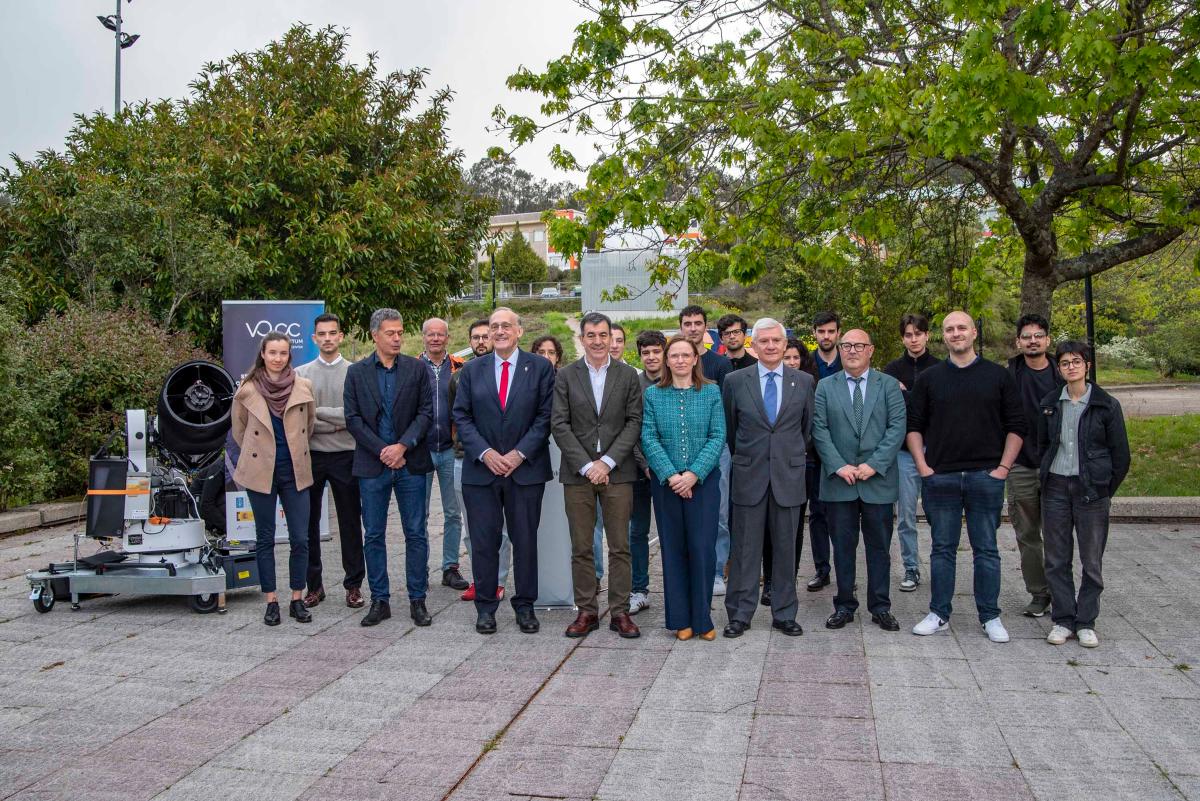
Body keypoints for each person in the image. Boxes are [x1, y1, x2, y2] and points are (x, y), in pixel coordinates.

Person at [906, 311, 1026, 643]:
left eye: (961, 328)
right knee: (942, 549)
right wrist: (923, 468)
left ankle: (990, 616)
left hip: (984, 476)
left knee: (986, 549)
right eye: (949, 329)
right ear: (941, 337)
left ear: (973, 332)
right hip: (940, 477)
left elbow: (1017, 426)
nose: (956, 333)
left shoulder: (998, 376)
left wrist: (1002, 469)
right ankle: (939, 613)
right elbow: (913, 427)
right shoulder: (929, 379)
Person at [453, 307, 556, 635]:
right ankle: (486, 607)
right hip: (481, 473)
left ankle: (525, 606)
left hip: (525, 472)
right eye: (494, 326)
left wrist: (518, 454)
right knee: (483, 542)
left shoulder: (539, 368)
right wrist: (485, 454)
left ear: (519, 331)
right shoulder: (471, 370)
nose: (499, 331)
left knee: (525, 540)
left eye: (505, 326)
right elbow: (462, 416)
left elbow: (545, 416)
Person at [553, 312, 644, 639]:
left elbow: (634, 421)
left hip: (618, 473)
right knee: (581, 546)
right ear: (582, 338)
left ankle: (620, 613)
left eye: (602, 334)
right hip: (577, 475)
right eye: (590, 335)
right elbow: (559, 424)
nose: (597, 340)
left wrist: (606, 462)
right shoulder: (565, 376)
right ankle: (587, 611)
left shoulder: (628, 376)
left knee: (620, 546)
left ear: (611, 337)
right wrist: (587, 465)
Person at [721, 318, 813, 638]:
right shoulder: (734, 381)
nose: (771, 346)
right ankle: (739, 614)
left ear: (785, 344)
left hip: (788, 477)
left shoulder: (803, 382)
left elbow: (807, 430)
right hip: (749, 475)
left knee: (786, 549)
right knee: (745, 549)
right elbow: (732, 431)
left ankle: (784, 613)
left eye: (777, 340)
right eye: (764, 341)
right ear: (753, 345)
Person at [812, 329, 907, 632]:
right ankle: (844, 605)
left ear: (871, 350)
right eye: (847, 346)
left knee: (879, 548)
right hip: (840, 482)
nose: (852, 350)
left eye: (859, 346)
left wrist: (873, 465)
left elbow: (896, 428)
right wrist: (839, 466)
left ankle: (880, 606)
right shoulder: (825, 387)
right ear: (840, 349)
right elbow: (820, 429)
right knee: (842, 547)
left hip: (877, 481)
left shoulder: (889, 385)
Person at [344, 309, 434, 628]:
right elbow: (352, 419)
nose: (397, 338)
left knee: (416, 532)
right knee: (374, 534)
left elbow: (426, 413)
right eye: (390, 333)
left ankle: (417, 600)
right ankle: (379, 600)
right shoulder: (356, 373)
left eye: (400, 332)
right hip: (373, 464)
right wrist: (382, 450)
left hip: (410, 462)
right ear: (374, 335)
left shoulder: (417, 369)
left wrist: (402, 446)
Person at [1039, 341, 1129, 648]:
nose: (1071, 367)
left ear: (1087, 365)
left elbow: (1121, 456)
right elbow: (1043, 445)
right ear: (1059, 368)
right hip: (1055, 488)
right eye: (1064, 363)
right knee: (1056, 557)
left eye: (1076, 361)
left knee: (1091, 559)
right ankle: (1063, 619)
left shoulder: (1106, 405)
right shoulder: (1051, 403)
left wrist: (1103, 489)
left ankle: (1086, 620)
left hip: (1092, 491)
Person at [641, 335, 726, 640]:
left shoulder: (712, 392)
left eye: (684, 355)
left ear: (694, 359)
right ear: (666, 360)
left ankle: (702, 619)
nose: (679, 360)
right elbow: (648, 438)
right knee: (674, 549)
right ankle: (681, 620)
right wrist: (672, 475)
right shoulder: (653, 395)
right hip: (667, 485)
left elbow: (718, 436)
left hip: (703, 484)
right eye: (673, 355)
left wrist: (693, 474)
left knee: (702, 549)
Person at [231, 332, 317, 626]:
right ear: (263, 354)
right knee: (265, 538)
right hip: (261, 471)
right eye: (273, 353)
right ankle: (271, 601)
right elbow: (238, 431)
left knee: (301, 539)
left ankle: (297, 598)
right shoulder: (247, 388)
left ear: (289, 356)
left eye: (283, 353)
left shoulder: (303, 386)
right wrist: (261, 453)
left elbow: (310, 425)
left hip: (295, 471)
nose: (278, 358)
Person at [296, 313, 366, 610]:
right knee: (308, 524)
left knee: (350, 523)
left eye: (332, 333)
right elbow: (303, 419)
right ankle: (314, 586)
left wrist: (321, 414)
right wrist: (335, 419)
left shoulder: (355, 373)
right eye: (321, 333)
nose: (327, 338)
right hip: (311, 456)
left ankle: (353, 586)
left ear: (341, 336)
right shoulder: (301, 374)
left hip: (346, 455)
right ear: (314, 338)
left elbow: (353, 417)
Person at [1006, 313, 1064, 617]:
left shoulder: (1064, 373)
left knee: (1057, 534)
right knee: (1027, 534)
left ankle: (1062, 593)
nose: (1032, 341)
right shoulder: (1009, 375)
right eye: (1026, 336)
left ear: (1047, 340)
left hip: (1059, 466)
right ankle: (1039, 593)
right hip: (1021, 465)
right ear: (1018, 342)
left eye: (1038, 335)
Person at [454, 319, 512, 602]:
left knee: (502, 532)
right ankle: (481, 581)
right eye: (475, 337)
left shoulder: (516, 371)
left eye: (483, 336)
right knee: (474, 528)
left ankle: (498, 581)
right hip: (469, 461)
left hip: (509, 463)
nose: (480, 341)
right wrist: (483, 452)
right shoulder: (463, 375)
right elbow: (460, 417)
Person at [678, 304, 733, 596]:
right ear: (681, 327)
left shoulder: (720, 364)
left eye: (698, 323)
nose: (693, 328)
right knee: (685, 515)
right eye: (687, 323)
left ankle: (716, 571)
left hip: (715, 446)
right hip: (682, 449)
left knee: (718, 514)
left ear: (705, 327)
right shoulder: (673, 361)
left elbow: (724, 412)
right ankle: (689, 570)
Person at [883, 313, 939, 592]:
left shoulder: (941, 367)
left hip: (937, 451)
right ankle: (911, 568)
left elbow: (938, 407)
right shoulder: (892, 370)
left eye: (918, 333)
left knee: (940, 514)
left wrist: (909, 394)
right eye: (908, 334)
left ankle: (941, 565)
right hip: (904, 453)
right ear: (902, 337)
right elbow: (891, 409)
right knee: (906, 515)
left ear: (927, 335)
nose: (913, 339)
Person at [761, 338, 820, 607]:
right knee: (765, 530)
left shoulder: (805, 384)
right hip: (762, 468)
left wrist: (793, 452)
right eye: (788, 358)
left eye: (796, 358)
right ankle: (769, 582)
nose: (792, 362)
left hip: (798, 466)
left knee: (791, 529)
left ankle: (788, 583)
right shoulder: (752, 382)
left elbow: (808, 427)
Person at [419, 317, 469, 593]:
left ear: (448, 338)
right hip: (422, 450)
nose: (436, 338)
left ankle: (450, 567)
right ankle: (420, 567)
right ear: (423, 337)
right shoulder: (412, 367)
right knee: (419, 515)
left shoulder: (461, 368)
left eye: (441, 334)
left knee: (453, 513)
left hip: (452, 450)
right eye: (431, 334)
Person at [628, 329, 667, 614]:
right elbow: (631, 430)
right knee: (638, 532)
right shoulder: (633, 385)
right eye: (646, 353)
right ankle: (639, 589)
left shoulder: (676, 382)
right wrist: (646, 464)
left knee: (672, 533)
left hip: (673, 474)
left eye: (656, 351)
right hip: (640, 472)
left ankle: (678, 588)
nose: (652, 357)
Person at [805, 310, 841, 592]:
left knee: (842, 515)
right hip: (813, 451)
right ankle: (821, 569)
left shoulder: (848, 361)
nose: (826, 336)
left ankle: (845, 570)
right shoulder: (806, 365)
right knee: (817, 513)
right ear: (814, 333)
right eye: (821, 331)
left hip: (844, 452)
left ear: (837, 333)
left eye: (831, 331)